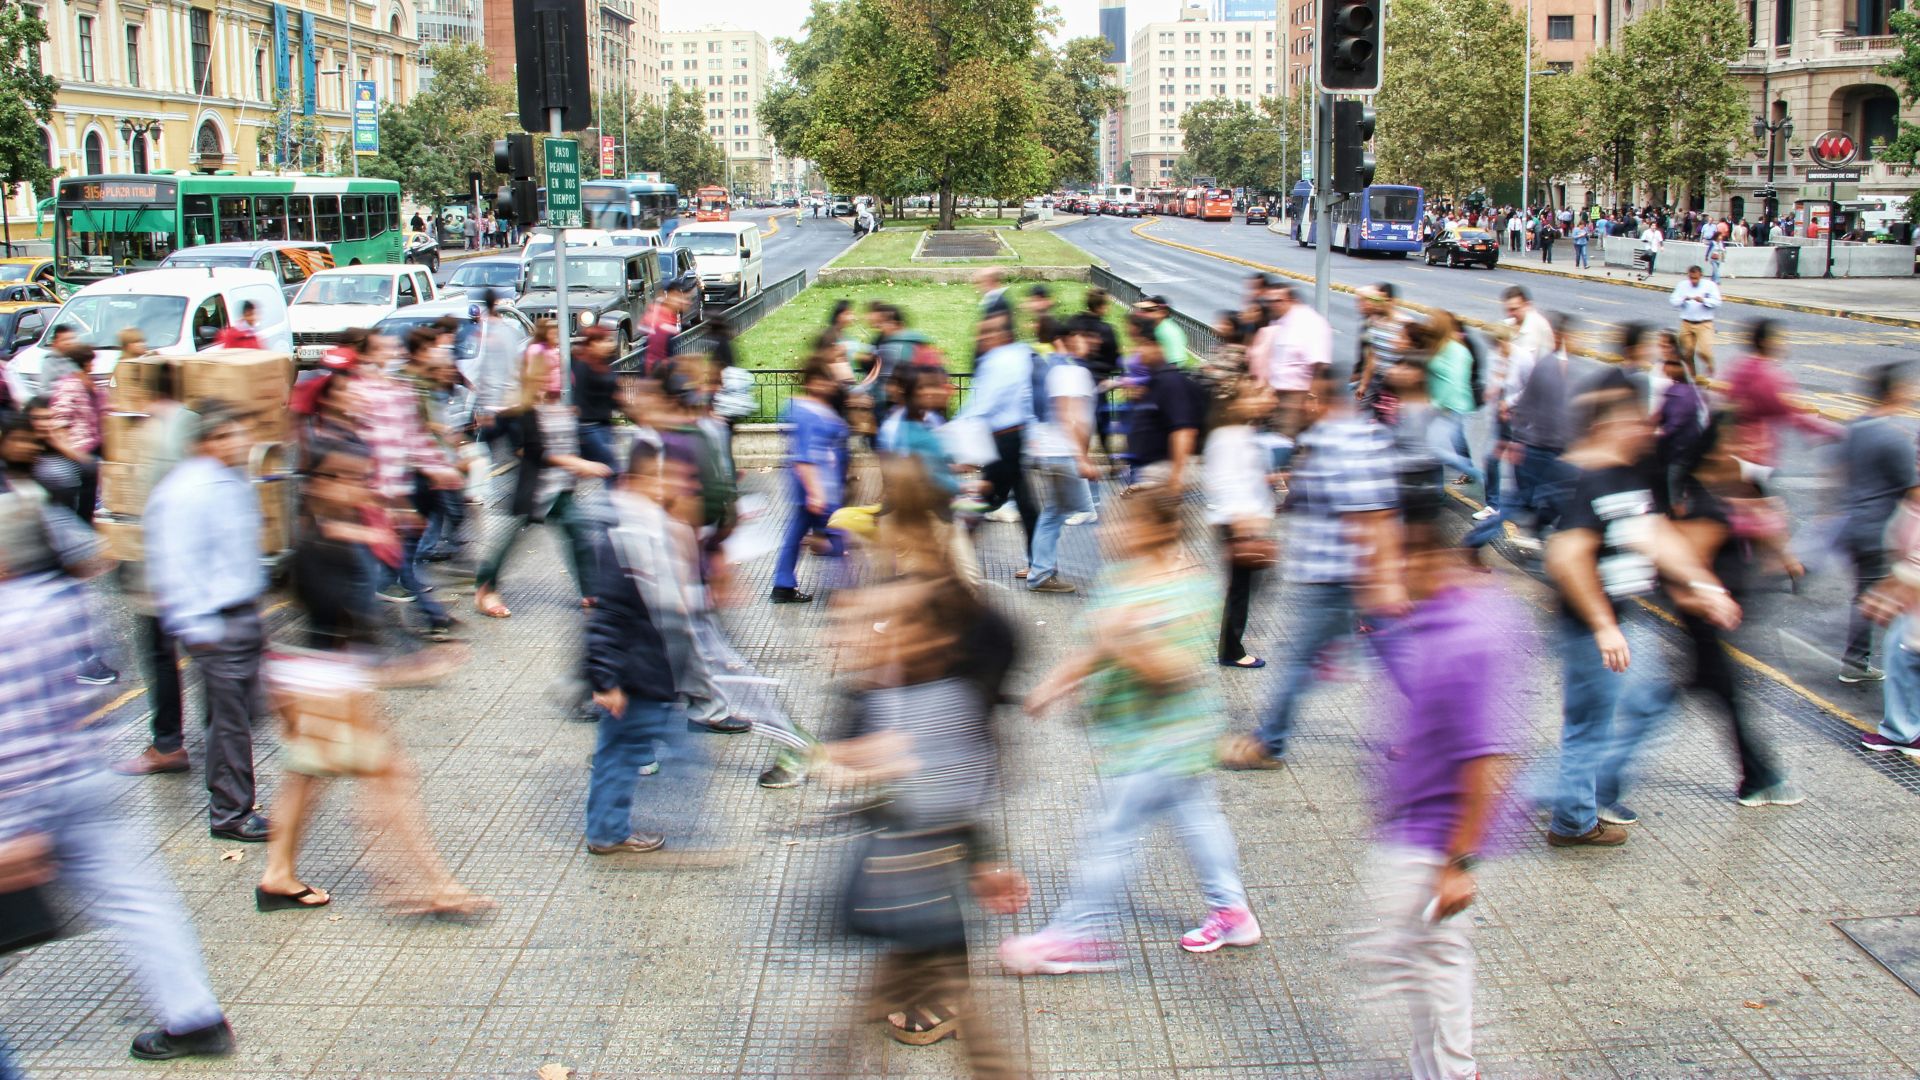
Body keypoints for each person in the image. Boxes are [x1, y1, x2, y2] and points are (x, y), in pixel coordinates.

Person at [0, 495, 237, 1062]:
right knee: (140, 899)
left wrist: (17, 827)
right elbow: (104, 682)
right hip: (86, 774)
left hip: (31, 794)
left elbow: (10, 734)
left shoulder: (7, 618)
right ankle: (195, 1015)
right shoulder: (65, 600)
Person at [1000, 487, 1260, 973]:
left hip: (1162, 737)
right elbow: (1099, 645)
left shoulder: (1187, 588)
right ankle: (1232, 911)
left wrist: (1126, 639)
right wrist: (1056, 685)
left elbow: (1178, 669)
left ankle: (1079, 935)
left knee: (1110, 830)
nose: (1109, 530)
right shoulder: (1122, 577)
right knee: (1198, 816)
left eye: (1124, 523)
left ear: (1159, 530)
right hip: (1146, 733)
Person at [815, 482, 1025, 1067]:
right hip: (908, 809)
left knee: (931, 902)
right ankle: (914, 1005)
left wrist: (875, 756)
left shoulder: (956, 623)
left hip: (937, 802)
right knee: (910, 906)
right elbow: (865, 691)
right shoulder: (899, 594)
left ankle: (943, 1007)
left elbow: (949, 754)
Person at [258, 440, 491, 916]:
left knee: (306, 779)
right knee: (388, 778)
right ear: (320, 484)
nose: (364, 486)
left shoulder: (332, 533)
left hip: (309, 679)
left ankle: (278, 875)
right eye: (350, 477)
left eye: (365, 477)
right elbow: (347, 622)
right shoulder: (321, 543)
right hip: (324, 685)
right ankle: (426, 886)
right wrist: (409, 667)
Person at [1356, 489, 1521, 1080]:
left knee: (1396, 963)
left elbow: (1490, 759)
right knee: (1436, 965)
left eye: (1399, 560)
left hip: (1434, 837)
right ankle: (1452, 1071)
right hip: (1421, 825)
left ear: (1430, 559)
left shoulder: (1465, 636)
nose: (1392, 573)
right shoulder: (1455, 614)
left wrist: (1460, 863)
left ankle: (1453, 1072)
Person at [1542, 387, 1742, 848]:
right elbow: (1568, 556)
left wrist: (1705, 586)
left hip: (1621, 618)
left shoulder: (1626, 477)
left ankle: (1577, 802)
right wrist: (1603, 624)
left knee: (1645, 704)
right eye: (1637, 423)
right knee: (1590, 726)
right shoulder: (1587, 478)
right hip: (1594, 626)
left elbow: (1656, 536)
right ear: (1610, 428)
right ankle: (1569, 818)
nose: (1648, 430)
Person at [1221, 364, 1403, 771]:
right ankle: (1433, 733)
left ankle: (1270, 743)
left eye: (1303, 397)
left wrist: (1382, 580)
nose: (1296, 404)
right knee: (1391, 655)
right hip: (1338, 575)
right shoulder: (1343, 435)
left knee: (1299, 660)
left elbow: (1371, 515)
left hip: (1337, 577)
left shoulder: (1343, 441)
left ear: (1318, 400)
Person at [582, 439, 718, 855]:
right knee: (624, 752)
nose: (671, 485)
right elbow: (607, 616)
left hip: (648, 664)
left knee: (623, 750)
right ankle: (607, 831)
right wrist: (605, 679)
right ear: (637, 480)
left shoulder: (650, 527)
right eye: (662, 477)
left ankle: (607, 829)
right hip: (634, 668)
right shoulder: (624, 536)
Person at [144, 403, 271, 843]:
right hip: (216, 623)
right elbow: (176, 564)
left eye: (239, 435)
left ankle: (232, 799)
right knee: (229, 723)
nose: (238, 443)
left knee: (238, 716)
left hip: (241, 615)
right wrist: (200, 629)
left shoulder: (234, 481)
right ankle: (231, 813)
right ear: (204, 443)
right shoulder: (186, 491)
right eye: (226, 437)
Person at [111, 361, 199, 777]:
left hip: (164, 568)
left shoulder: (151, 432)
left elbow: (146, 504)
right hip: (195, 565)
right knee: (201, 649)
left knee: (159, 653)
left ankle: (167, 744)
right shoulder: (195, 423)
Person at [472, 349, 610, 618]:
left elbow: (568, 441)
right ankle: (485, 588)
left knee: (579, 533)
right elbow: (535, 451)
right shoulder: (525, 409)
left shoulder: (563, 407)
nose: (557, 375)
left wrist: (578, 462)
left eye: (558, 369)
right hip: (535, 489)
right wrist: (577, 463)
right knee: (511, 541)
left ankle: (590, 591)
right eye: (551, 370)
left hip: (560, 489)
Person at [1838, 364, 1916, 684]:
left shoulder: (1856, 427)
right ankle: (1858, 663)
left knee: (1867, 596)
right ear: (1895, 392)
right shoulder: (1895, 439)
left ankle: (1856, 661)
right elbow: (1914, 493)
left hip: (1854, 523)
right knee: (1885, 598)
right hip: (1880, 531)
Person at [1205, 379, 1278, 669]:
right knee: (1240, 589)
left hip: (1246, 523)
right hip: (1238, 525)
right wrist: (1241, 529)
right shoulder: (1229, 436)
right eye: (1253, 395)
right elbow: (1225, 484)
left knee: (1244, 588)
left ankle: (1231, 646)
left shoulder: (1241, 433)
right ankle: (1232, 650)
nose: (1262, 399)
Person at [958, 311, 1039, 563]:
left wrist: (957, 433)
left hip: (1003, 439)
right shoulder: (1019, 355)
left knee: (989, 498)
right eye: (983, 332)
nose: (983, 337)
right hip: (1010, 437)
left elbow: (983, 402)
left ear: (1004, 334)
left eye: (989, 332)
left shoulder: (1000, 360)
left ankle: (953, 551)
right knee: (1021, 502)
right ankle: (1039, 562)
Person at [1023, 322, 1097, 595]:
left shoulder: (1057, 369)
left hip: (1051, 450)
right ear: (1067, 339)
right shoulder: (1070, 371)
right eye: (1083, 335)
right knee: (1079, 512)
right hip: (1063, 453)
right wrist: (1082, 458)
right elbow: (1070, 415)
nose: (1089, 342)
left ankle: (1039, 569)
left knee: (1055, 512)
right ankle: (1041, 572)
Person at [771, 355, 849, 604]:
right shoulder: (809, 412)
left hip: (813, 487)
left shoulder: (805, 409)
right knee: (836, 533)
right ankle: (841, 590)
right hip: (819, 487)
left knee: (796, 534)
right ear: (814, 382)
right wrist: (816, 492)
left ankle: (783, 584)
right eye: (827, 380)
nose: (832, 386)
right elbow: (805, 455)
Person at [1120, 312, 1201, 491]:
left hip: (1163, 471)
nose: (1138, 352)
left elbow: (1183, 430)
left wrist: (1176, 476)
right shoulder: (1155, 381)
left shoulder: (1170, 382)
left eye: (1144, 346)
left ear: (1158, 347)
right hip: (1151, 470)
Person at [572, 324, 621, 472]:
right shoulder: (583, 365)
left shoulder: (605, 365)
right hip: (589, 427)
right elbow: (579, 398)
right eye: (603, 341)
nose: (608, 344)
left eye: (608, 340)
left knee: (609, 468)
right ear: (592, 344)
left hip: (605, 425)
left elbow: (614, 398)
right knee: (612, 468)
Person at [1669, 265, 1721, 381]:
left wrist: (1704, 300)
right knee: (1687, 352)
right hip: (1686, 323)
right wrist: (1683, 299)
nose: (1693, 281)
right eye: (1691, 278)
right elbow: (1673, 300)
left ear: (1701, 276)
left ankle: (1710, 366)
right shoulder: (1682, 285)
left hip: (1704, 323)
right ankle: (1692, 377)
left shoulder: (1710, 286)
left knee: (1704, 350)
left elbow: (1717, 302)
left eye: (1696, 278)